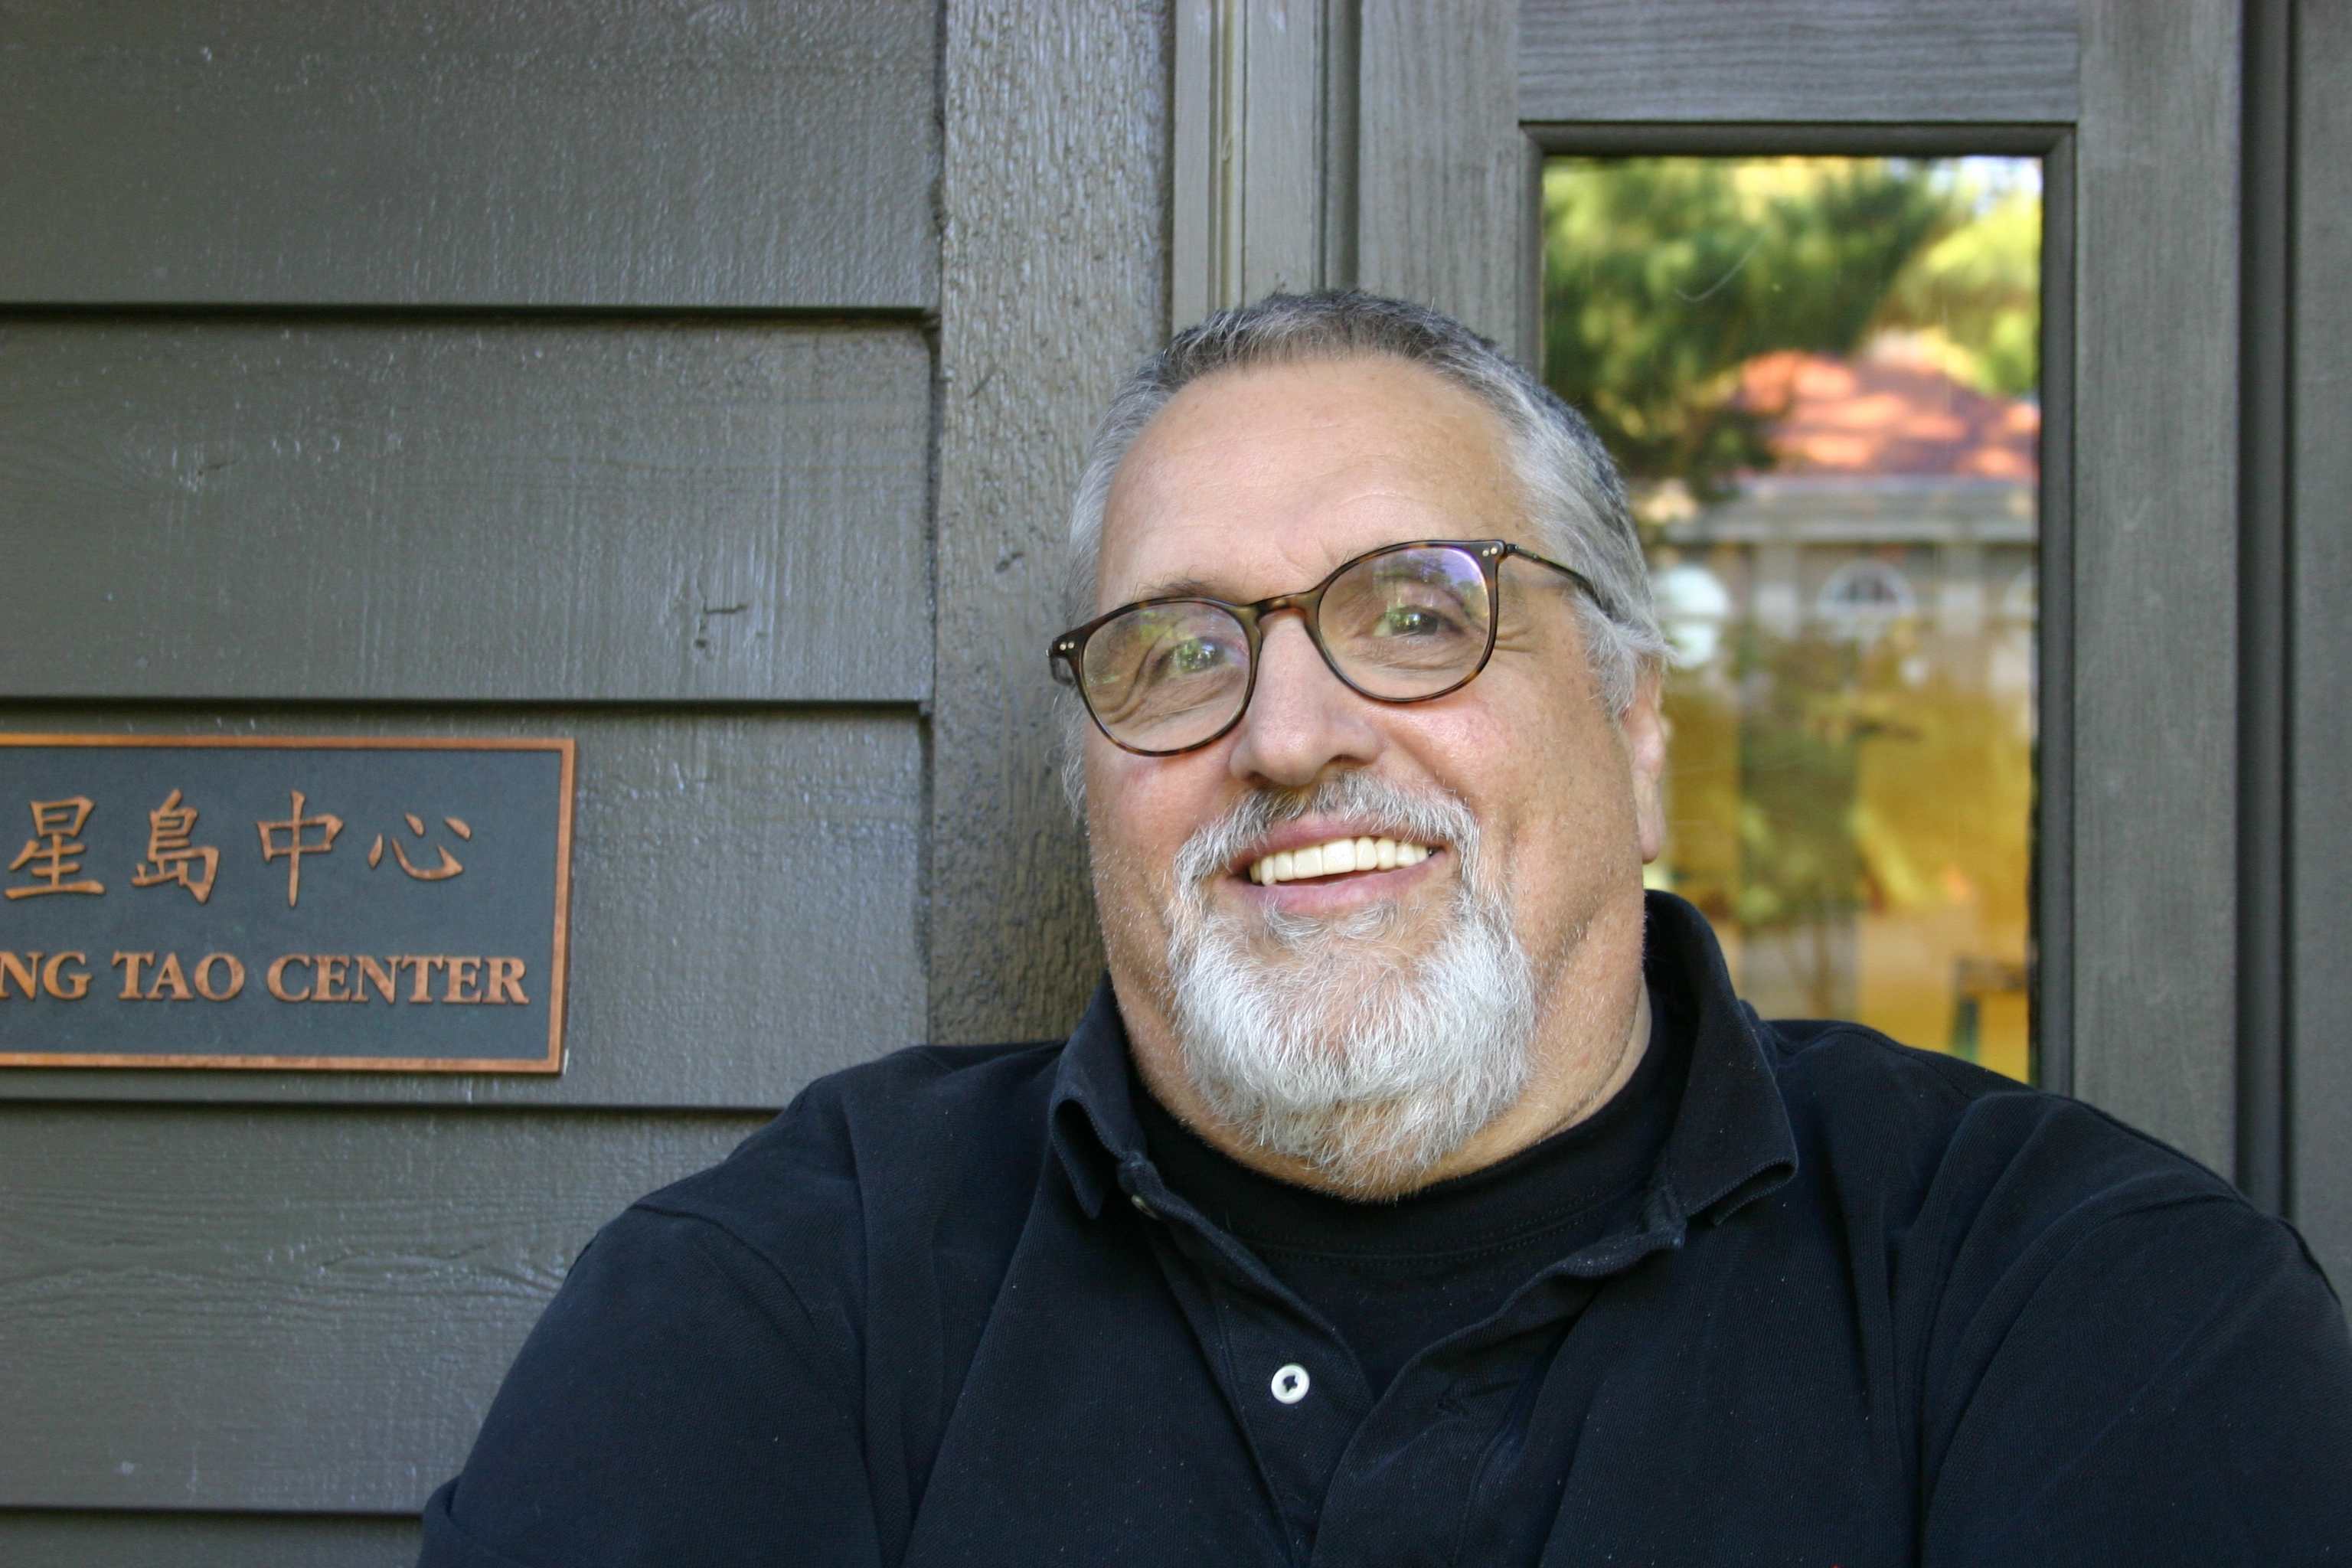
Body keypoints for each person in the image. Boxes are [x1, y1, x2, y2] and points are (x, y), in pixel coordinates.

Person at [420, 292, 2352, 1566]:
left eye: (1415, 613)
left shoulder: (2088, 1309)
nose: (1287, 731)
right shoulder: (787, 1299)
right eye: (1180, 650)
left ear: (1636, 730)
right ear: (1096, 772)